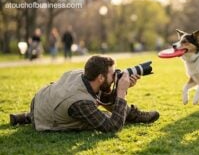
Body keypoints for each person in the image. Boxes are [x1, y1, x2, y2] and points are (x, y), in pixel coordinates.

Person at [9, 55, 160, 132]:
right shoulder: (80, 102)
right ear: (100, 77)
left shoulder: (86, 75)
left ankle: (24, 116)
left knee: (102, 103)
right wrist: (120, 92)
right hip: (45, 116)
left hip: (42, 100)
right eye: (112, 73)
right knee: (105, 117)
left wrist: (121, 88)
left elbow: (103, 97)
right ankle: (30, 117)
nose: (116, 75)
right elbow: (113, 127)